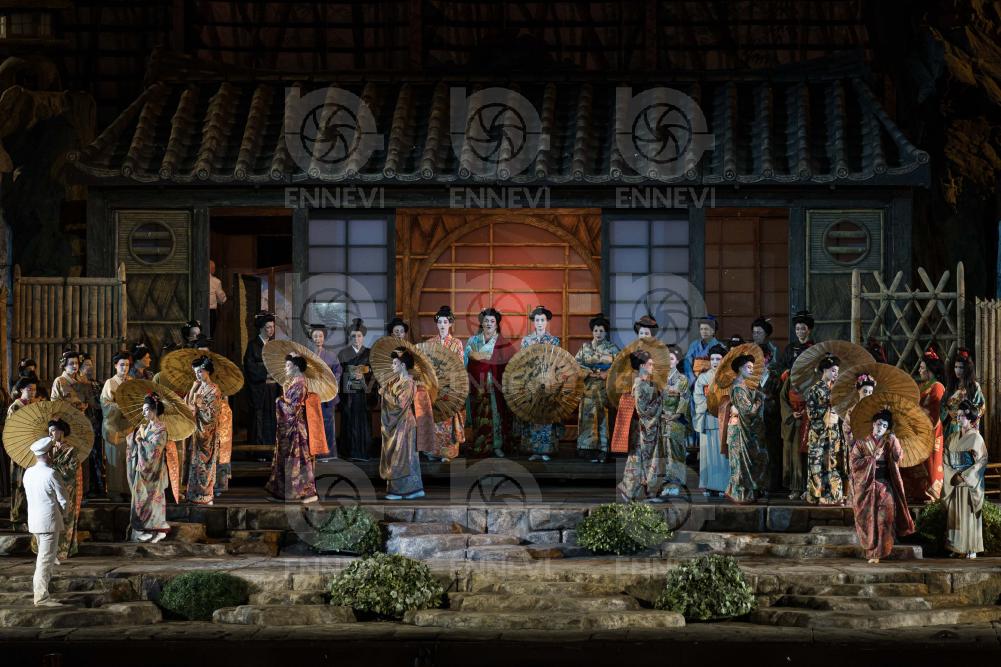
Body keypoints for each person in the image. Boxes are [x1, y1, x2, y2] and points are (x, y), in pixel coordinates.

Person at [849, 408, 914, 564]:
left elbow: (898, 457)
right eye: (879, 424)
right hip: (867, 486)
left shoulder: (889, 441)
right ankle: (872, 552)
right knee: (868, 519)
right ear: (873, 424)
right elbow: (854, 463)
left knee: (885, 519)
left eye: (885, 426)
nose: (881, 428)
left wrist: (895, 439)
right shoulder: (861, 443)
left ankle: (881, 552)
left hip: (885, 485)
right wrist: (871, 459)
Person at [378, 348, 434, 500]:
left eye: (395, 363)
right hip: (398, 423)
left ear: (403, 365)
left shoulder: (408, 383)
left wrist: (385, 394)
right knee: (401, 456)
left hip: (404, 424)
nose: (392, 366)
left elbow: (400, 404)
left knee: (403, 457)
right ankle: (409, 489)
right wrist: (386, 389)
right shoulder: (397, 381)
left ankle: (404, 490)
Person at [265, 354, 319, 503]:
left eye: (288, 365)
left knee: (298, 459)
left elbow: (292, 409)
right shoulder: (294, 383)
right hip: (289, 427)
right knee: (290, 459)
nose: (285, 368)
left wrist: (279, 401)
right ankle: (286, 493)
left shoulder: (300, 384)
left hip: (295, 428)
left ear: (295, 367)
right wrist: (284, 395)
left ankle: (305, 493)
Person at [464, 307, 517, 457]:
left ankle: (497, 445)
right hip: (477, 384)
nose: (488, 323)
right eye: (486, 321)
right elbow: (468, 359)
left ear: (497, 324)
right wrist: (482, 357)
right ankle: (480, 445)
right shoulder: (473, 340)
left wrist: (480, 356)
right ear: (481, 323)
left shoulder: (502, 343)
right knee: (479, 415)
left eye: (492, 321)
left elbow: (511, 363)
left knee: (496, 413)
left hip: (496, 385)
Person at [23, 436, 68, 607]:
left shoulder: (28, 472)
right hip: (49, 522)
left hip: (35, 521)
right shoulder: (51, 473)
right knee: (45, 561)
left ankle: (43, 593)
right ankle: (41, 597)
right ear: (49, 453)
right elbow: (63, 500)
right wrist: (64, 514)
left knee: (45, 558)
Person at [616, 350, 664, 502]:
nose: (652, 367)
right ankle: (632, 491)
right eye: (650, 364)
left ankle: (641, 491)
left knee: (642, 459)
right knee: (639, 459)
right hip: (643, 427)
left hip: (646, 427)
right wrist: (660, 401)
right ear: (642, 366)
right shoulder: (639, 384)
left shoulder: (646, 383)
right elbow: (642, 410)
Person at [943, 400, 988, 558]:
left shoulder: (976, 438)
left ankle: (970, 548)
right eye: (958, 415)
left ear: (970, 419)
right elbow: (945, 458)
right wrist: (952, 474)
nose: (958, 417)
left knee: (968, 515)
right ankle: (957, 547)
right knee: (955, 515)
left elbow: (982, 461)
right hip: (955, 479)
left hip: (968, 481)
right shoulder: (952, 437)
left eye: (962, 415)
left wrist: (966, 475)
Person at [723, 354, 768, 503]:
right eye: (748, 367)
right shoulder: (738, 388)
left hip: (741, 427)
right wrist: (759, 400)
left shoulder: (744, 386)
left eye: (751, 367)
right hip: (739, 430)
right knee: (741, 462)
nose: (751, 370)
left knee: (744, 461)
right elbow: (748, 411)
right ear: (740, 369)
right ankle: (740, 494)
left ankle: (745, 492)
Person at [34, 419, 81, 560]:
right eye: (49, 431)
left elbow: (71, 471)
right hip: (50, 488)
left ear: (62, 432)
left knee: (65, 517)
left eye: (53, 430)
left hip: (66, 487)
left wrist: (53, 466)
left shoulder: (71, 450)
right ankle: (48, 549)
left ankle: (63, 550)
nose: (51, 434)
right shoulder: (49, 450)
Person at [126, 393, 171, 542]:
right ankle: (145, 528)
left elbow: (154, 451)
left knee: (153, 499)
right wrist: (134, 437)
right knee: (141, 498)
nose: (143, 413)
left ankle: (156, 529)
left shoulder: (161, 429)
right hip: (143, 470)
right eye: (143, 410)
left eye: (146, 410)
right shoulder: (146, 427)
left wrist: (140, 442)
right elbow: (136, 442)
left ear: (154, 410)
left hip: (155, 470)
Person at [575, 313, 619, 463]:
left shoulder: (612, 348)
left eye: (601, 330)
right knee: (588, 417)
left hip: (605, 388)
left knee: (603, 417)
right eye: (595, 330)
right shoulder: (585, 348)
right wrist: (589, 372)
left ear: (606, 332)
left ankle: (603, 449)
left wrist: (608, 373)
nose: (598, 333)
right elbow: (576, 365)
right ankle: (587, 448)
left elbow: (619, 366)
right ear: (592, 332)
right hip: (588, 387)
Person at [520, 305, 563, 461]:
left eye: (542, 320)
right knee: (533, 415)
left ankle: (546, 450)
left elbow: (558, 362)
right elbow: (522, 362)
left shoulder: (554, 340)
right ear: (533, 322)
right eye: (537, 320)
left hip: (548, 381)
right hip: (531, 382)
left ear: (547, 322)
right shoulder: (526, 341)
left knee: (546, 415)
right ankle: (533, 450)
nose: (539, 323)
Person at [425, 306, 465, 462]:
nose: (442, 325)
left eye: (445, 322)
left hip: (449, 387)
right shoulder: (430, 343)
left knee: (448, 419)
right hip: (434, 387)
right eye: (440, 322)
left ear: (450, 324)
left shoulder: (456, 343)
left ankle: (447, 452)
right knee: (434, 419)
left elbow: (459, 366)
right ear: (437, 323)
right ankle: (433, 451)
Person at [805, 354, 844, 505]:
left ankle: (831, 495)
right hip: (818, 433)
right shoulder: (815, 389)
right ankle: (815, 495)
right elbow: (811, 413)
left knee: (831, 463)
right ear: (825, 370)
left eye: (837, 371)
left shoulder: (837, 390)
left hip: (833, 432)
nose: (836, 374)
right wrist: (827, 408)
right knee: (816, 464)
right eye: (833, 370)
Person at [185, 355, 222, 505]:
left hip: (208, 432)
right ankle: (194, 493)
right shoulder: (197, 386)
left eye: (200, 371)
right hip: (196, 430)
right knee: (195, 463)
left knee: (205, 464)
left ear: (207, 371)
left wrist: (200, 405)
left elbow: (213, 416)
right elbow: (187, 406)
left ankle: (206, 494)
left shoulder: (214, 390)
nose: (198, 375)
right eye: (196, 372)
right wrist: (193, 390)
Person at [941, 348, 984, 471]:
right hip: (951, 427)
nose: (958, 370)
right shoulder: (951, 386)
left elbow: (981, 407)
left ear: (967, 369)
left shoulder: (974, 387)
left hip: (967, 426)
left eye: (961, 367)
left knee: (966, 463)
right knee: (950, 463)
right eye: (956, 367)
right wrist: (948, 412)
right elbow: (943, 406)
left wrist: (970, 415)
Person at [338, 319, 375, 461]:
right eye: (353, 336)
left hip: (364, 394)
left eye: (359, 336)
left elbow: (374, 373)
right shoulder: (343, 353)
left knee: (364, 422)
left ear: (363, 337)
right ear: (350, 337)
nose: (356, 339)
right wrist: (349, 374)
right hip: (349, 394)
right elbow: (339, 374)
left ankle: (364, 452)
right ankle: (349, 453)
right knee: (349, 421)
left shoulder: (369, 353)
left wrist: (365, 374)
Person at [694, 344, 728, 495]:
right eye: (712, 359)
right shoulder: (703, 377)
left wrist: (721, 405)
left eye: (718, 359)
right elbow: (698, 396)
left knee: (722, 455)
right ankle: (708, 485)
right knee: (707, 454)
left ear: (723, 360)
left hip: (723, 417)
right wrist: (709, 405)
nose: (715, 362)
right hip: (708, 417)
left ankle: (723, 486)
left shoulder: (728, 377)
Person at [7, 377, 41, 527]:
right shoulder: (15, 407)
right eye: (29, 389)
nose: (32, 392)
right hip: (20, 450)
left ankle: (30, 517)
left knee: (32, 485)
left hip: (33, 450)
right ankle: (17, 517)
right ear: (21, 390)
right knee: (19, 484)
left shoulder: (34, 406)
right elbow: (11, 430)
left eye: (34, 390)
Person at [914, 349, 946, 500]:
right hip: (920, 430)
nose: (919, 370)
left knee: (931, 464)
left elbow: (935, 411)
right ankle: (920, 495)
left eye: (922, 368)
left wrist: (916, 410)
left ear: (930, 370)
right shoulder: (924, 385)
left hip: (932, 430)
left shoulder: (937, 386)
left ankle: (933, 497)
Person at [100, 352, 132, 502]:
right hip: (114, 426)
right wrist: (122, 407)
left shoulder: (131, 382)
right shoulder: (110, 383)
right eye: (122, 365)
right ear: (115, 366)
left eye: (127, 365)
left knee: (128, 459)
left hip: (128, 426)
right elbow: (105, 404)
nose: (124, 368)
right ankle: (114, 491)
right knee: (115, 460)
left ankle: (127, 489)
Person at [840, 372, 876, 502]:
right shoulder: (852, 410)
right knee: (857, 476)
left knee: (873, 475)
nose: (867, 394)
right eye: (865, 391)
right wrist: (855, 443)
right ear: (859, 391)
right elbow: (846, 428)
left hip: (873, 447)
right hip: (857, 448)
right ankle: (855, 502)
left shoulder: (876, 409)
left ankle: (871, 502)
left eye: (870, 392)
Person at [659, 344, 691, 496]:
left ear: (677, 360)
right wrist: (659, 413)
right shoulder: (659, 378)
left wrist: (676, 415)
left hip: (676, 420)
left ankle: (676, 484)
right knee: (664, 452)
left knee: (676, 452)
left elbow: (684, 399)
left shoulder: (682, 379)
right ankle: (667, 483)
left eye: (671, 358)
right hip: (661, 419)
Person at [243, 311, 279, 446]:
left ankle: (270, 448)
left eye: (273, 327)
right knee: (258, 418)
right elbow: (249, 368)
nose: (271, 330)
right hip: (259, 389)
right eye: (268, 327)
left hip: (272, 389)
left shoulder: (273, 345)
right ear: (261, 328)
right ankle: (257, 450)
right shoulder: (253, 345)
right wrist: (266, 372)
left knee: (271, 417)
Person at [310, 325, 342, 461]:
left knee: (327, 423)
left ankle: (327, 453)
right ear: (311, 338)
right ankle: (313, 452)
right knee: (313, 423)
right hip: (312, 394)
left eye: (320, 336)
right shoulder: (307, 354)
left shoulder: (331, 355)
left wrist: (329, 384)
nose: (318, 339)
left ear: (324, 338)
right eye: (315, 336)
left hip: (327, 394)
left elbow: (338, 372)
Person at [77, 353, 106, 498]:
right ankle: (85, 488)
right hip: (81, 425)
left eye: (91, 364)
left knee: (97, 455)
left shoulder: (96, 384)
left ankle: (99, 487)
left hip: (96, 424)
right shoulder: (76, 384)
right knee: (84, 456)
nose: (90, 367)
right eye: (86, 365)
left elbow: (101, 403)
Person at [684, 315, 720, 384]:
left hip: (712, 382)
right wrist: (693, 380)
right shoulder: (694, 345)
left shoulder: (720, 347)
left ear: (713, 330)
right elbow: (687, 363)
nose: (703, 332)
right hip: (694, 381)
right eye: (701, 329)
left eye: (706, 329)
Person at [208, 260, 227, 335]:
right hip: (210, 312)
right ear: (211, 268)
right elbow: (222, 299)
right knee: (209, 335)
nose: (215, 270)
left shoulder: (196, 279)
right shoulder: (216, 281)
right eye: (214, 268)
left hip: (196, 311)